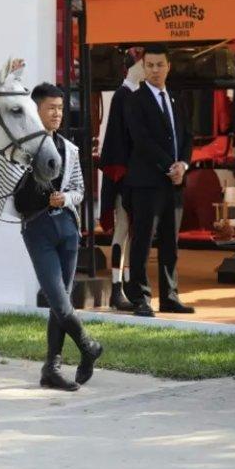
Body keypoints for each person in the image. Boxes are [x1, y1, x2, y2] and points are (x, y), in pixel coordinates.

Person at [10, 83, 103, 391]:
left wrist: (67, 199)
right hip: (38, 230)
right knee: (57, 298)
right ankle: (88, 346)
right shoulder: (21, 150)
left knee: (59, 302)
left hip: (68, 230)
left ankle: (52, 368)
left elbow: (80, 190)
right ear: (36, 111)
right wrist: (41, 197)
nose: (57, 114)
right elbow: (15, 198)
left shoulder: (70, 149)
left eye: (61, 109)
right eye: (51, 108)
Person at [123, 43, 195, 317]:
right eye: (150, 65)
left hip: (175, 183)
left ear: (168, 67)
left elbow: (187, 137)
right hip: (146, 182)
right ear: (143, 68)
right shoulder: (135, 100)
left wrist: (184, 165)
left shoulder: (176, 99)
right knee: (143, 240)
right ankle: (140, 297)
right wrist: (169, 165)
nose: (155, 70)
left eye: (159, 65)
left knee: (170, 241)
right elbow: (141, 140)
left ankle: (170, 296)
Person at [99, 50, 145, 311]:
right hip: (124, 176)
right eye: (142, 64)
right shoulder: (122, 96)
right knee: (122, 229)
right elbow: (117, 141)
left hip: (134, 176)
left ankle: (126, 285)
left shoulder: (136, 95)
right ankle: (117, 287)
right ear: (132, 67)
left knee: (130, 232)